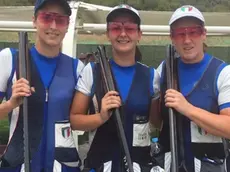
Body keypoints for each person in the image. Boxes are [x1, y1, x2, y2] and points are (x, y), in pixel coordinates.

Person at [70, 4, 162, 172]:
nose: (123, 34)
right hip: (99, 165)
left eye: (130, 28)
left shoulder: (152, 76)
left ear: (139, 34)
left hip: (140, 165)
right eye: (115, 28)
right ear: (108, 34)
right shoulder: (92, 71)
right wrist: (101, 117)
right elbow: (75, 121)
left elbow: (156, 124)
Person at [0, 0, 84, 171]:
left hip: (63, 165)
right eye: (46, 18)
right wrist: (10, 104)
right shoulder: (10, 59)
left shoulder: (77, 68)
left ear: (67, 25)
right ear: (34, 21)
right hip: (19, 164)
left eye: (60, 20)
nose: (53, 26)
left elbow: (82, 119)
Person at [157, 5, 230, 172]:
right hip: (170, 164)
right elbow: (156, 122)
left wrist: (187, 109)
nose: (187, 39)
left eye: (194, 32)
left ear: (204, 34)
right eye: (180, 33)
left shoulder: (223, 73)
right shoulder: (164, 69)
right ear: (172, 38)